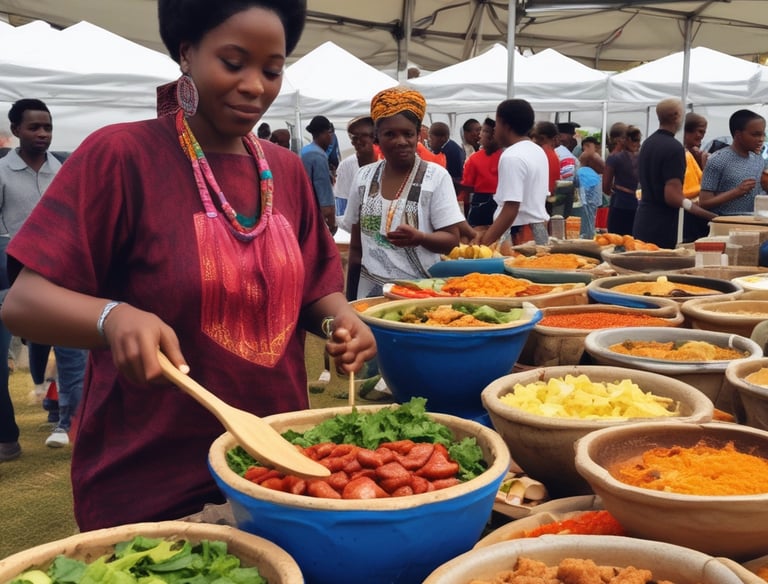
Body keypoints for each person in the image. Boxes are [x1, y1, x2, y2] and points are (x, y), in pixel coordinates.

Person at [0, 0, 375, 529]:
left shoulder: (286, 171)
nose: (254, 86)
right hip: (150, 480)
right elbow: (24, 302)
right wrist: (112, 317)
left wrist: (342, 322)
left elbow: (317, 290)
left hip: (277, 468)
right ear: (186, 53)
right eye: (233, 62)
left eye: (272, 71)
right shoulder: (121, 156)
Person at [0, 99, 88, 453]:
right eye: (34, 127)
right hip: (16, 276)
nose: (42, 134)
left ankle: (69, 423)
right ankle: (16, 428)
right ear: (16, 130)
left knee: (73, 352)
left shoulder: (64, 169)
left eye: (47, 127)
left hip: (63, 272)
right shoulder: (2, 172)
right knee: (35, 345)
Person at [344, 86, 464, 300]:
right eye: (390, 134)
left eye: (408, 134)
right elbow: (356, 247)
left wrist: (421, 238)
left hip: (420, 294)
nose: (400, 141)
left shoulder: (436, 177)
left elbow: (452, 240)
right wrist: (350, 300)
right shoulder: (363, 177)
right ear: (377, 137)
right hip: (369, 293)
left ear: (418, 135)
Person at [634, 98, 715, 249]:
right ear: (677, 116)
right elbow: (672, 196)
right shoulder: (674, 148)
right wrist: (708, 215)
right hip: (663, 225)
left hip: (643, 219)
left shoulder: (647, 143)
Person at [478, 99, 550, 247]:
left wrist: (484, 244)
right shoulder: (537, 150)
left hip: (517, 236)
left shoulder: (511, 156)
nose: (494, 129)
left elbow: (511, 209)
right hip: (539, 231)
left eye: (497, 124)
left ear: (506, 126)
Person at [698, 109, 767, 216]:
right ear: (738, 135)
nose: (761, 139)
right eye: (755, 135)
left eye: (763, 134)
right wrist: (736, 192)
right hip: (727, 222)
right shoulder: (718, 160)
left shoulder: (759, 159)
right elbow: (704, 202)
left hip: (755, 221)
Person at [334, 116, 379, 226]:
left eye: (363, 136)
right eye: (354, 137)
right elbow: (342, 202)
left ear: (374, 136)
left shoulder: (388, 162)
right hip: (355, 228)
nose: (357, 141)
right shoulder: (346, 166)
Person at [459, 118, 502, 229]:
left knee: (478, 235)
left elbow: (467, 186)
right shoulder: (506, 156)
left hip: (481, 202)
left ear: (491, 135)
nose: (480, 135)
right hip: (502, 203)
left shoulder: (474, 159)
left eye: (483, 131)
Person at [301, 115, 338, 234]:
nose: (331, 137)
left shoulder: (305, 150)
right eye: (330, 133)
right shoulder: (318, 155)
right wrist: (331, 222)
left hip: (303, 210)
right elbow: (323, 191)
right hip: (314, 213)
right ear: (324, 133)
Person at [603, 123, 640, 235]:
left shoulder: (614, 158)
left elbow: (605, 186)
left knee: (616, 238)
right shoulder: (641, 157)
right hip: (637, 203)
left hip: (619, 202)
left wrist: (613, 190)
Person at [681, 112, 711, 242]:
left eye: (704, 132)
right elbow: (689, 190)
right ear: (686, 131)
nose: (702, 136)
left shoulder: (691, 154)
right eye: (700, 131)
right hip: (688, 213)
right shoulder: (683, 155)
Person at [577, 136, 605, 239]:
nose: (598, 149)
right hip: (589, 188)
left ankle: (588, 235)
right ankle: (588, 235)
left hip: (590, 187)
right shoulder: (591, 155)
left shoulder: (589, 156)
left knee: (589, 215)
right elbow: (605, 168)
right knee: (589, 215)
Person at [532, 121, 561, 215]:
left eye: (534, 137)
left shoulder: (541, 153)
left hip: (539, 202)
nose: (533, 140)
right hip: (549, 200)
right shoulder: (553, 154)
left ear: (542, 138)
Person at [428, 121, 465, 187]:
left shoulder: (449, 152)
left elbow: (456, 178)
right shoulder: (450, 146)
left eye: (431, 138)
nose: (429, 141)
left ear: (443, 138)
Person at [555, 121, 579, 218]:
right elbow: (567, 182)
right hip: (560, 199)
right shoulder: (564, 154)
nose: (575, 140)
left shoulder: (564, 152)